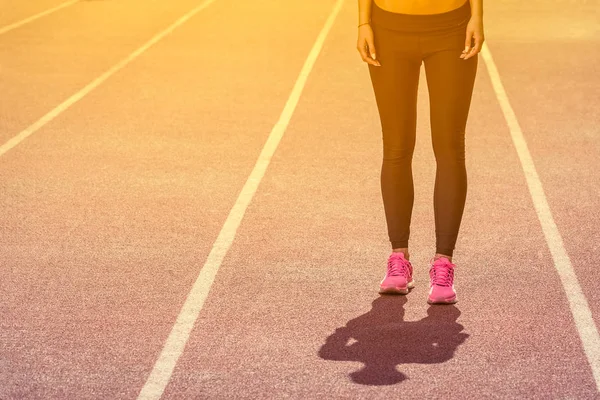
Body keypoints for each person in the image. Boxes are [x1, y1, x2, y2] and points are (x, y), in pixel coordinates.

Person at [356, 0, 484, 304]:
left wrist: (477, 16)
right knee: (396, 147)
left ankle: (444, 263)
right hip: (389, 29)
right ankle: (398, 257)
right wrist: (364, 22)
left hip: (452, 28)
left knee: (450, 147)